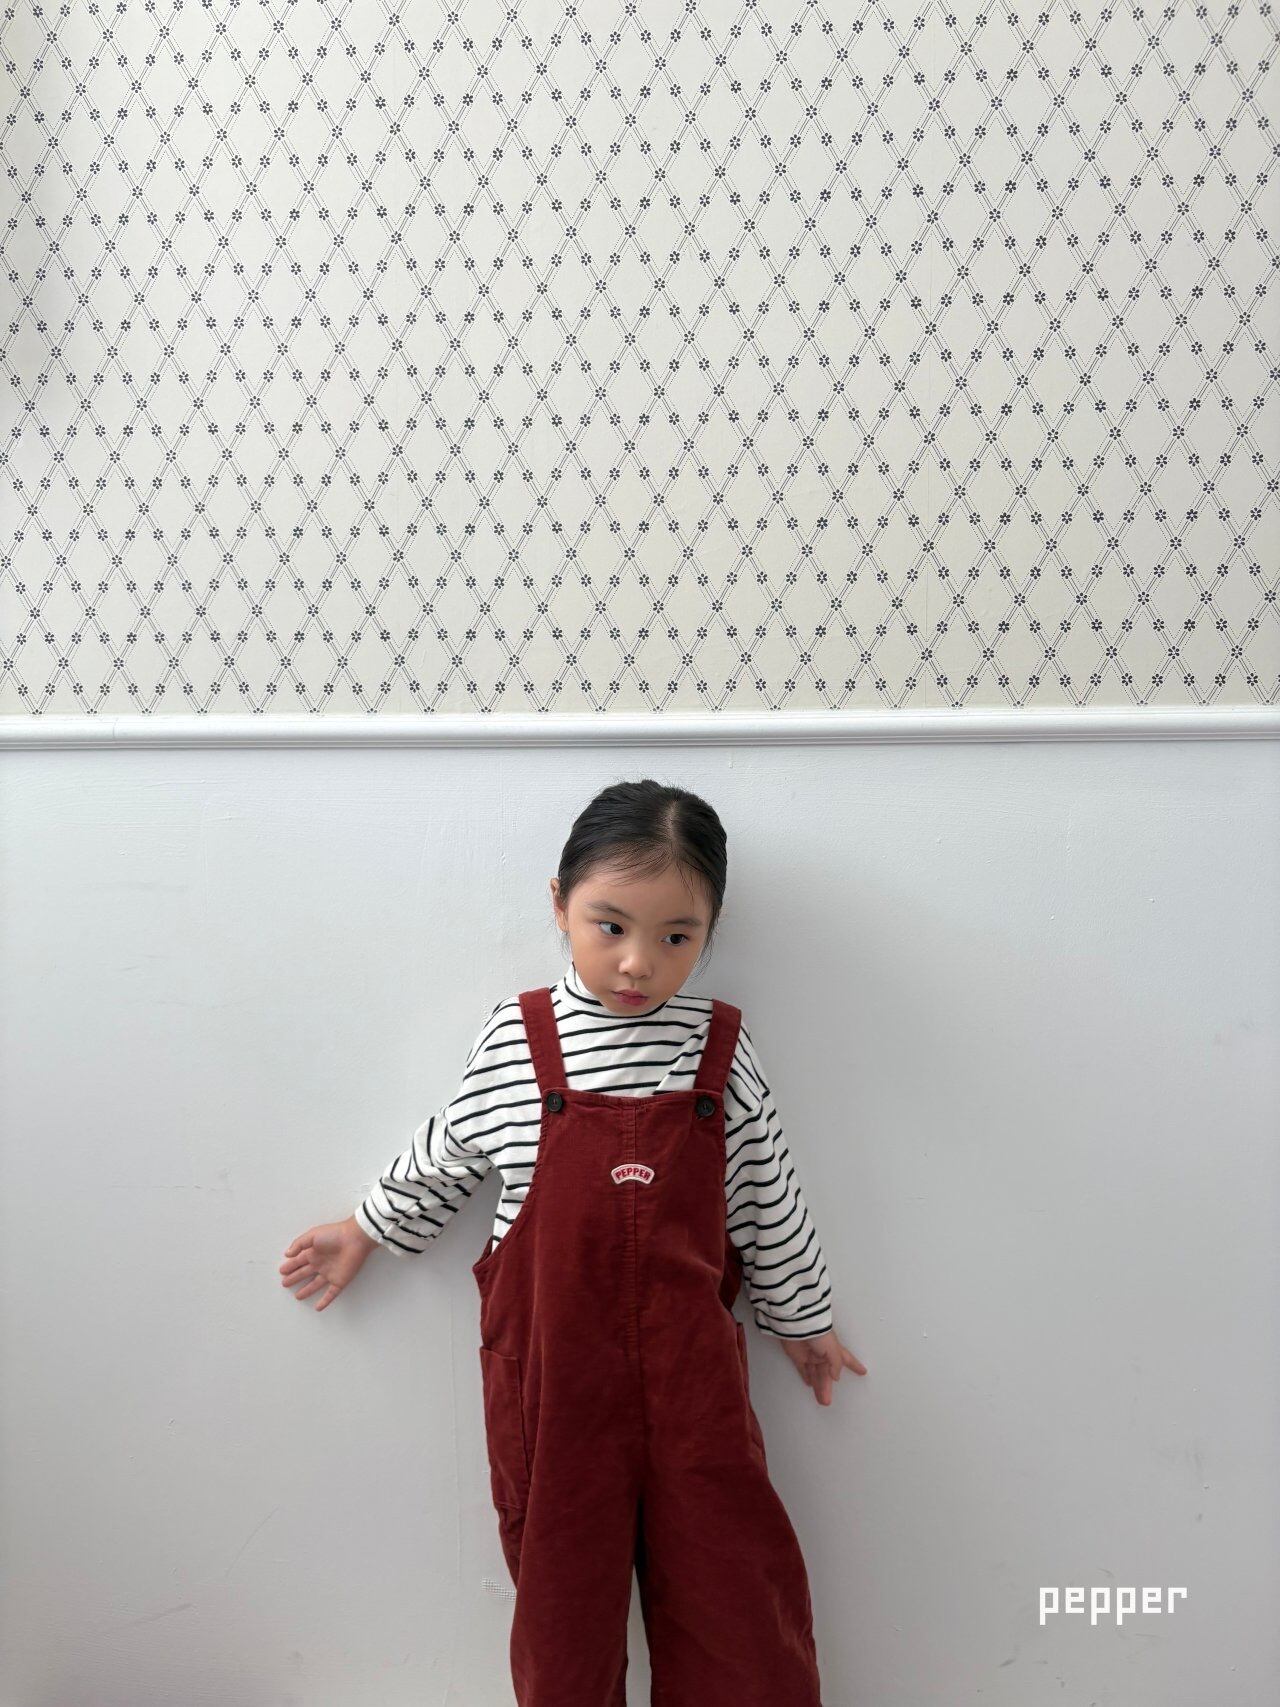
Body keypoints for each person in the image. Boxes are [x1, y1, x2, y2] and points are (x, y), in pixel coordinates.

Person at [280, 777, 867, 1705]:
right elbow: (450, 1150)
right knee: (563, 1618)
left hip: (695, 1392)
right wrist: (367, 1227)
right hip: (553, 1392)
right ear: (560, 905)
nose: (638, 962)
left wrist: (803, 1320)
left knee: (736, 1602)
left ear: (711, 931)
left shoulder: (720, 1048)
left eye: (676, 937)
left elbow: (767, 1193)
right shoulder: (521, 1039)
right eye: (611, 926)